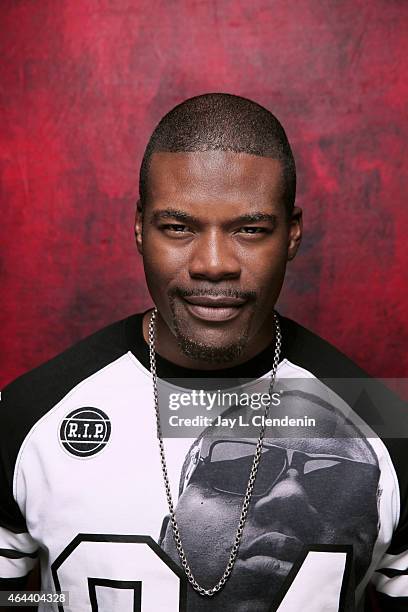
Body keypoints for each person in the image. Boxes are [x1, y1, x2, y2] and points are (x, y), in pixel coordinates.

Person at [0, 93, 406, 611]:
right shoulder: (27, 415)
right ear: (139, 228)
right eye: (179, 228)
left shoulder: (385, 426)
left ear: (293, 235)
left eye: (250, 230)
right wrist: (55, 600)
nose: (213, 264)